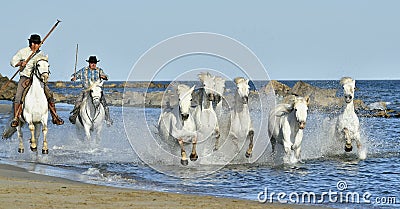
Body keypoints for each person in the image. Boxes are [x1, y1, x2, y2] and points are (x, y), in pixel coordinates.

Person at [9, 34, 64, 127]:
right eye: (35, 43)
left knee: (49, 94)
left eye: (39, 43)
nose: (37, 45)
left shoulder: (40, 53)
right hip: (25, 77)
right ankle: (16, 118)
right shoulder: (23, 52)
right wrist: (21, 63)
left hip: (37, 78)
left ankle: (55, 117)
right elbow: (12, 62)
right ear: (31, 43)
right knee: (18, 95)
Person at [69, 55, 113, 126]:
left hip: (96, 90)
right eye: (92, 62)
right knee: (78, 102)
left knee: (104, 104)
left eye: (94, 63)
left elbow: (106, 77)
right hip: (85, 90)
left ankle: (108, 119)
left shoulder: (99, 70)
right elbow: (74, 75)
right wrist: (73, 78)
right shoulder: (83, 70)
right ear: (89, 63)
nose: (93, 64)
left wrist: (104, 77)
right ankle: (74, 116)